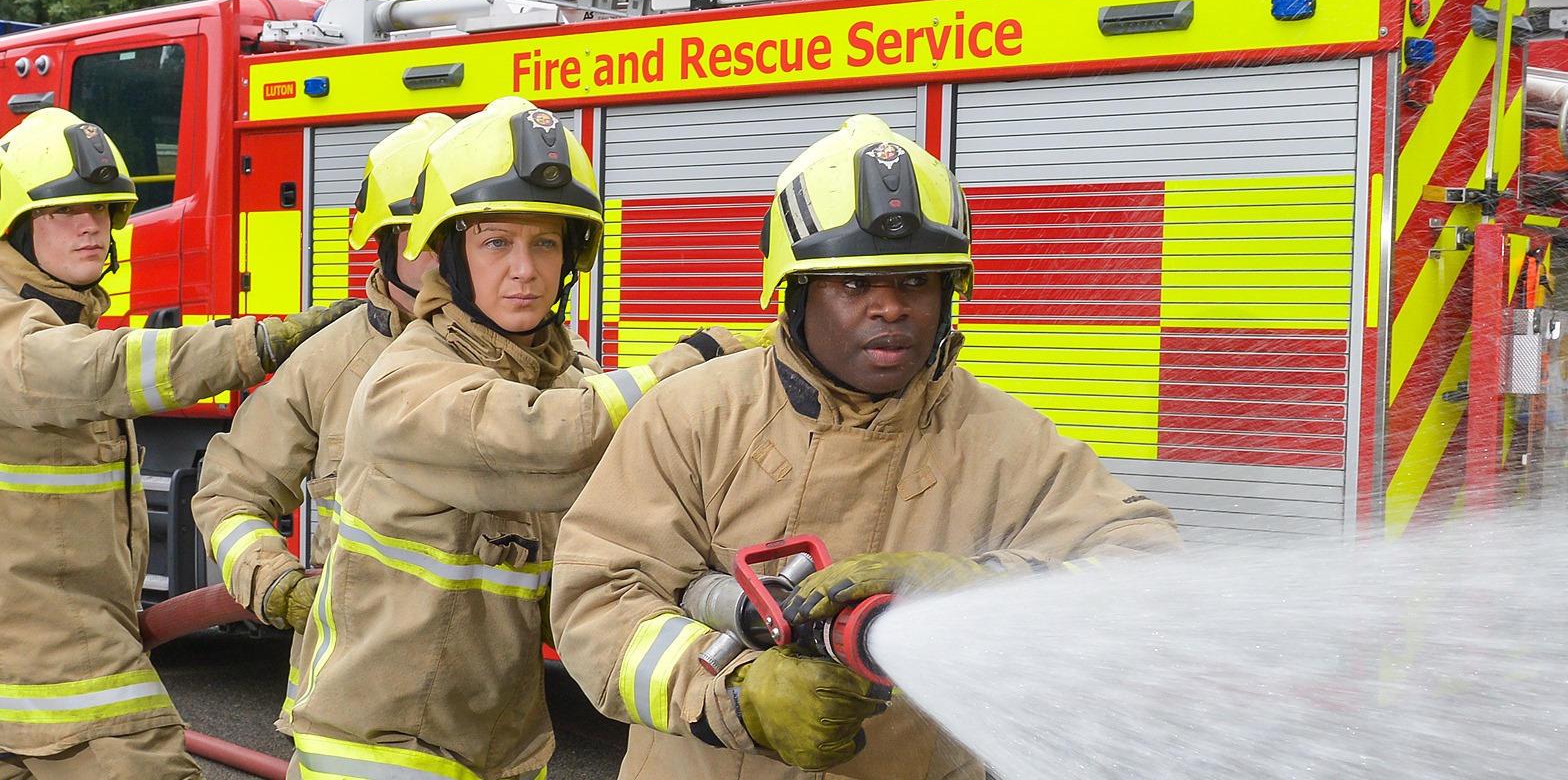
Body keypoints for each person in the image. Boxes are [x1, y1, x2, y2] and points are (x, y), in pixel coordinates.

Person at [549, 113, 1184, 779]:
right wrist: (738, 696)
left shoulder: (1005, 441)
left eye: (915, 281)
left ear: (949, 293)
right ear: (794, 294)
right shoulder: (692, 414)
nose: (891, 307)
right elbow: (598, 602)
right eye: (855, 284)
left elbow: (1149, 571)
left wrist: (985, 584)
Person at [284, 96, 751, 780]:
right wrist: (694, 363)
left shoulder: (565, 374)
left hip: (502, 749)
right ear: (451, 255)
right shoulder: (403, 383)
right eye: (496, 242)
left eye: (545, 242)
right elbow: (557, 437)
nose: (525, 270)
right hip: (382, 751)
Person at [0, 107, 354, 779]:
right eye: (65, 211)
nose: (91, 225)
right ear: (16, 227)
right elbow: (101, 369)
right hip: (72, 677)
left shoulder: (55, 321)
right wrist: (261, 341)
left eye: (102, 209)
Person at [191, 110, 456, 732]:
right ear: (386, 246)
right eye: (421, 240)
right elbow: (230, 488)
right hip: (351, 708)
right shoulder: (330, 361)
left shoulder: (544, 366)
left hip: (498, 720)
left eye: (459, 238)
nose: (441, 263)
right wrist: (272, 577)